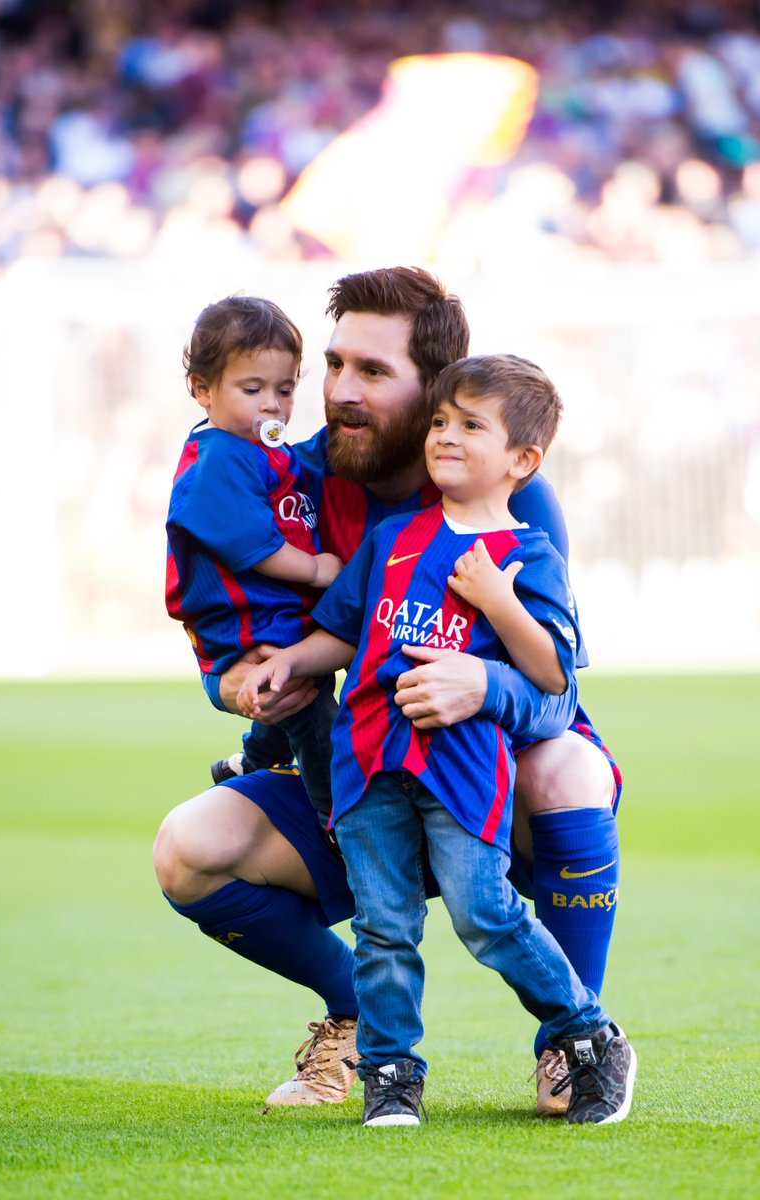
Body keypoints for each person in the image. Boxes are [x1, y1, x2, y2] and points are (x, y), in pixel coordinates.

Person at [153, 267, 623, 1118]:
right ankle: (358, 1018)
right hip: (365, 771)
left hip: (484, 779)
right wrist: (240, 688)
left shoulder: (511, 498)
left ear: (432, 389)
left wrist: (481, 682)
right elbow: (239, 627)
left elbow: (556, 694)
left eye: (371, 372)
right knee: (187, 847)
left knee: (568, 772)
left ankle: (570, 1044)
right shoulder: (283, 478)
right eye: (333, 366)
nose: (337, 392)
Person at [165, 295, 343, 829]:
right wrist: (315, 569)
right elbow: (252, 544)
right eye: (252, 390)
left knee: (297, 696)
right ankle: (336, 820)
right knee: (314, 717)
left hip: (272, 619)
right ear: (203, 390)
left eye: (285, 390)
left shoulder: (263, 450)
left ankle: (255, 759)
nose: (272, 404)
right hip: (243, 626)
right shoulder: (221, 456)